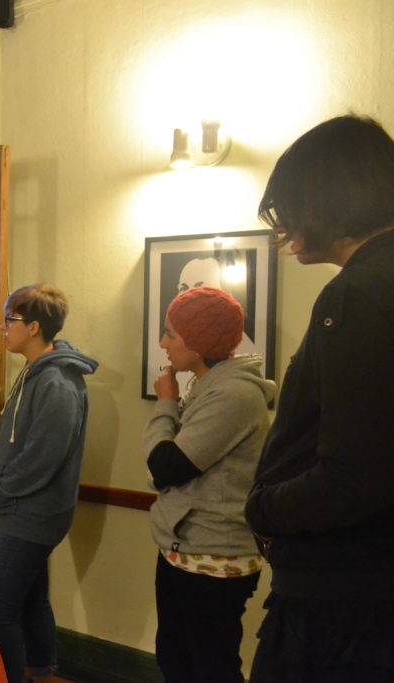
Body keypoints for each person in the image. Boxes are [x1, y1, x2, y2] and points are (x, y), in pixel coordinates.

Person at [245, 115, 394, 682]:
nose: (285, 225)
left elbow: (354, 477)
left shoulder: (357, 293)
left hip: (340, 604)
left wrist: (262, 509)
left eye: (291, 203)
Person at [145, 286, 276, 683]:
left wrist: (165, 403)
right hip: (186, 550)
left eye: (171, 334)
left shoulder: (233, 393)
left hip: (215, 557)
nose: (163, 343)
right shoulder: (208, 385)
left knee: (209, 668)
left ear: (198, 343)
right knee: (176, 659)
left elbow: (166, 467)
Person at [0, 284, 97, 683]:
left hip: (31, 513)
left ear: (33, 327)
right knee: (29, 597)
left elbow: (43, 457)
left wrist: (0, 489)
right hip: (24, 509)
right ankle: (41, 671)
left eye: (9, 319)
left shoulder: (57, 382)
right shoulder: (36, 371)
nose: (3, 327)